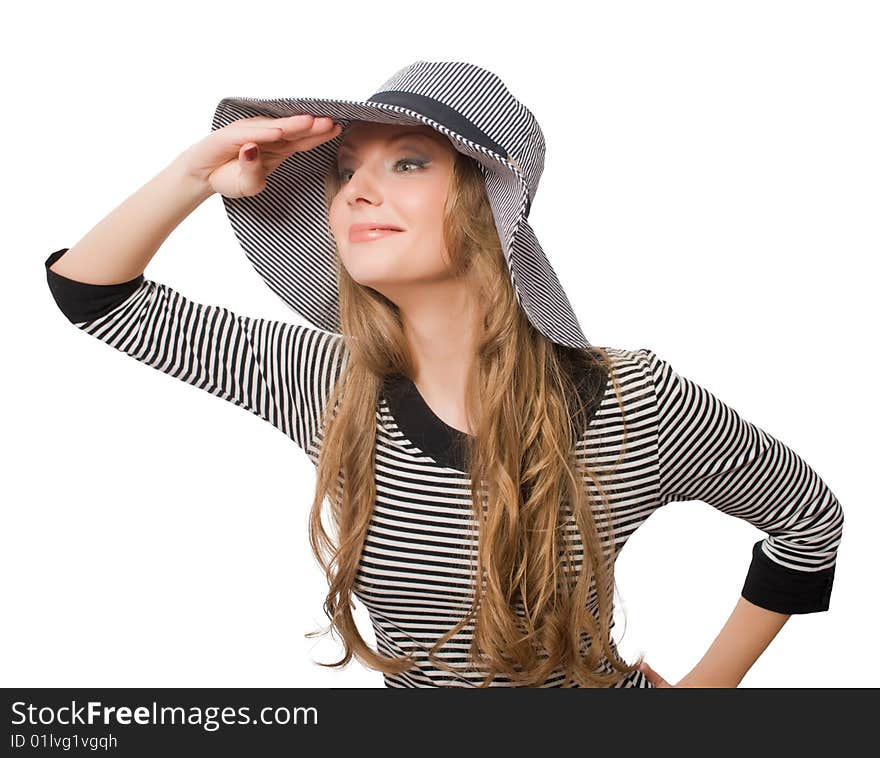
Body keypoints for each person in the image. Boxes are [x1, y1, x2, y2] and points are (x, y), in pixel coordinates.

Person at [44, 61, 844, 688]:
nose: (357, 188)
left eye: (409, 162)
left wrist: (710, 690)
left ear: (490, 203)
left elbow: (810, 523)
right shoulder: (323, 380)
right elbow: (91, 293)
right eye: (346, 169)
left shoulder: (634, 400)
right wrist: (195, 172)